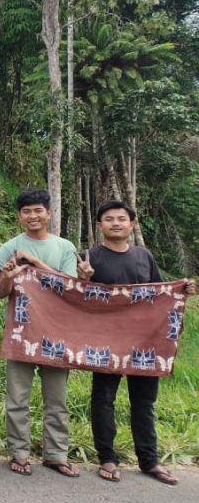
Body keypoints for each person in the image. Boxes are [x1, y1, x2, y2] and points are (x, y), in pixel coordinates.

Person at [77, 201, 196, 485]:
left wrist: (183, 291)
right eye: (109, 219)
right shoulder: (89, 257)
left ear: (132, 224)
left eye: (121, 218)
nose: (115, 223)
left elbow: (160, 295)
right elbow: (78, 300)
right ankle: (107, 457)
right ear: (99, 225)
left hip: (145, 343)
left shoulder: (144, 257)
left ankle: (149, 460)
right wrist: (83, 280)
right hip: (105, 341)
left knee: (144, 402)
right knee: (103, 399)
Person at [0, 188, 79, 478]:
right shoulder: (9, 247)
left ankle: (56, 454)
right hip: (21, 332)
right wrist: (7, 275)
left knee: (57, 399)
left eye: (38, 210)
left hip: (57, 333)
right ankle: (19, 452)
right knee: (17, 398)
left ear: (49, 213)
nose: (33, 216)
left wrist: (34, 263)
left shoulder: (64, 247)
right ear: (19, 216)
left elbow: (69, 287)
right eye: (26, 211)